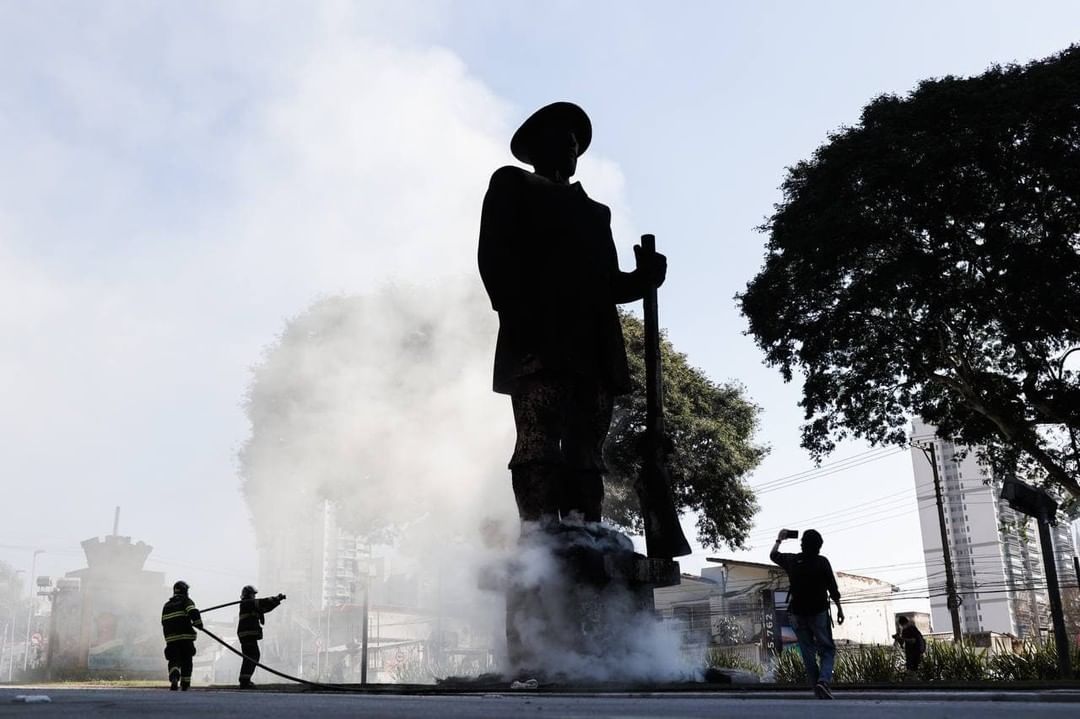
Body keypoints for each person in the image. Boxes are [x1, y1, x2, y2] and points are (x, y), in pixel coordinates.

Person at [477, 101, 667, 527]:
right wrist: (521, 316)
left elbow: (608, 283)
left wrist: (644, 279)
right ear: (536, 145)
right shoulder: (512, 184)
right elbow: (494, 259)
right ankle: (540, 536)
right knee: (538, 441)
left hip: (594, 346)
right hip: (538, 339)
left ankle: (586, 531)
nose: (571, 146)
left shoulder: (596, 212)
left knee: (587, 448)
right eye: (561, 138)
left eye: (576, 143)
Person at [770, 529, 844, 699]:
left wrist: (779, 539)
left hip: (797, 613)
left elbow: (773, 555)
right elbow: (833, 588)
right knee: (827, 649)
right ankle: (823, 682)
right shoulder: (822, 562)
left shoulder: (793, 560)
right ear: (819, 546)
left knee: (807, 650)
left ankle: (817, 688)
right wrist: (839, 608)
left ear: (803, 544)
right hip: (818, 612)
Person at [236, 585, 285, 688]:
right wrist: (275, 598)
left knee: (250, 657)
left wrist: (277, 601)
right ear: (248, 594)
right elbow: (262, 602)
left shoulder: (250, 604)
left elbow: (265, 608)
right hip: (247, 634)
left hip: (247, 635)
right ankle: (245, 682)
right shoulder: (247, 603)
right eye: (253, 594)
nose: (254, 596)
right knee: (252, 657)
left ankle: (244, 680)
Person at [161, 580, 203, 691]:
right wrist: (198, 623)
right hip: (185, 637)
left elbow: (163, 622)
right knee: (186, 660)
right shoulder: (186, 601)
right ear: (185, 591)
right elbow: (193, 611)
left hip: (171, 639)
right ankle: (185, 684)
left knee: (174, 660)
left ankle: (174, 675)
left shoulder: (167, 605)